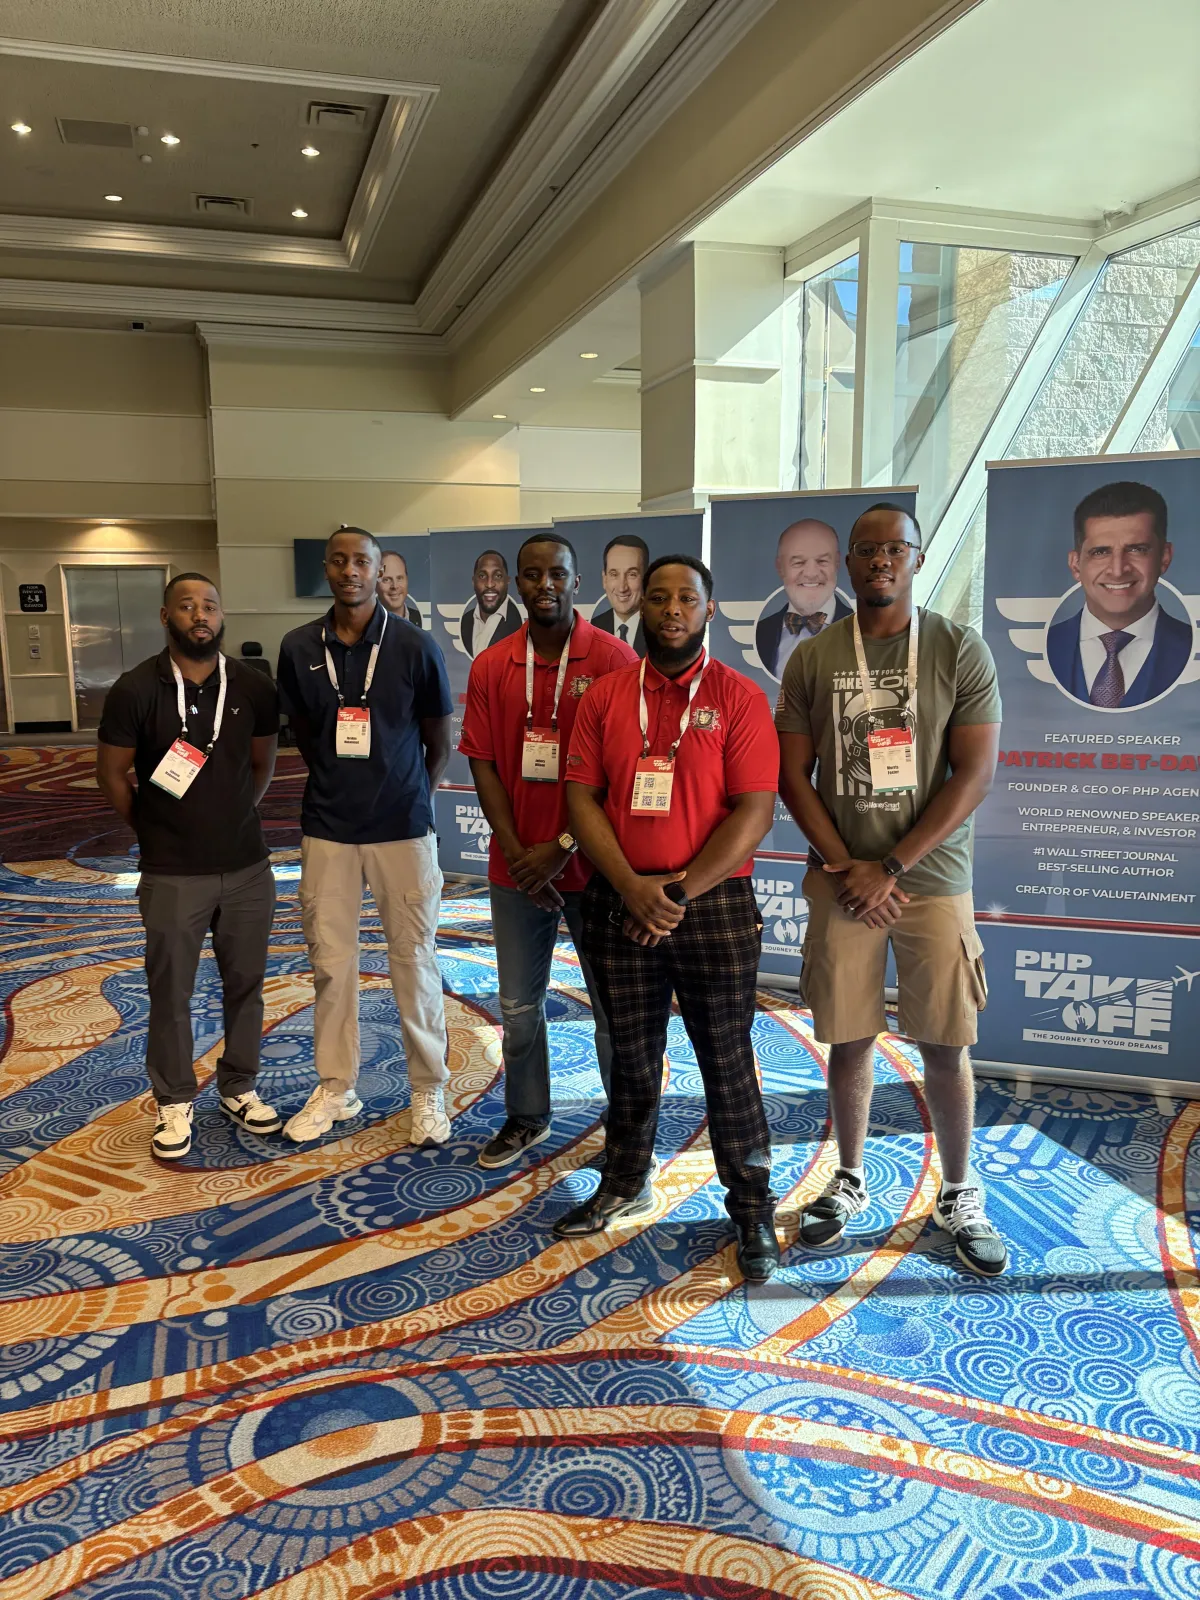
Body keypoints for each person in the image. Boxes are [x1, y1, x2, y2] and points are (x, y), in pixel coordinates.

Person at [775, 502, 1007, 1277]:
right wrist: (849, 865)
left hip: (929, 881)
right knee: (848, 1038)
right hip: (842, 880)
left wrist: (893, 866)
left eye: (895, 549)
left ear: (916, 557)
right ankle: (849, 1177)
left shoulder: (958, 648)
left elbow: (974, 773)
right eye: (867, 550)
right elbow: (792, 775)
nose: (881, 560)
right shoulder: (814, 657)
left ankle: (959, 1190)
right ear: (849, 563)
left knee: (946, 1041)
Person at [557, 554, 781, 1282]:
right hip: (621, 901)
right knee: (630, 1055)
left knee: (727, 1062)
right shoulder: (605, 697)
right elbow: (581, 797)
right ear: (639, 608)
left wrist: (676, 895)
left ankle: (752, 1208)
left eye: (687, 597)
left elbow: (754, 812)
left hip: (710, 906)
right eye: (659, 597)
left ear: (709, 610)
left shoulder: (738, 697)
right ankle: (624, 1180)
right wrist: (631, 887)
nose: (673, 609)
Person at [459, 533, 637, 1166]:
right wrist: (518, 854)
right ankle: (527, 1115)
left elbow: (620, 772)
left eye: (556, 574)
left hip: (597, 868)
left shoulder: (614, 660)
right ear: (517, 584)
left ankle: (626, 1129)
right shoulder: (491, 665)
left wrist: (562, 846)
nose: (545, 585)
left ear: (576, 582)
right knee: (517, 1006)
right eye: (532, 575)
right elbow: (482, 764)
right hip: (517, 870)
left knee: (613, 1009)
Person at [276, 528, 454, 1144]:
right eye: (339, 561)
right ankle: (336, 1088)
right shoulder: (298, 646)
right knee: (331, 965)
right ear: (326, 570)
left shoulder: (414, 645)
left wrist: (409, 793)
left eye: (362, 561)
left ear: (380, 571)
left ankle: (428, 1089)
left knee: (414, 961)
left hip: (402, 829)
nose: (350, 571)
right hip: (328, 829)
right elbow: (304, 733)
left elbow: (439, 740)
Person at [96, 574, 280, 1159]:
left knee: (246, 985)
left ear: (222, 616)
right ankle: (174, 1100)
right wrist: (153, 828)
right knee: (171, 991)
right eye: (187, 606)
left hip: (247, 868)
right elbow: (111, 775)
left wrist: (235, 815)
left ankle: (239, 1086)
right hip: (172, 872)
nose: (200, 615)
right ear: (165, 616)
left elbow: (263, 765)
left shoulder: (254, 686)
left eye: (210, 606)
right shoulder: (134, 688)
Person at [1046, 481, 1189, 708]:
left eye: (1137, 549)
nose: (1118, 570)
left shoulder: (1192, 646)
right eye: (1100, 552)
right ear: (1075, 564)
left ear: (1164, 557)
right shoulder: (1043, 647)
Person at [756, 519, 851, 679]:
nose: (811, 573)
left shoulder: (864, 630)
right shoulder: (760, 633)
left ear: (837, 563)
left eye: (822, 561)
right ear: (780, 567)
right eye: (798, 562)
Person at [591, 534, 649, 655]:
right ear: (604, 579)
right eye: (614, 574)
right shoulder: (592, 630)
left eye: (632, 574)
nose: (622, 588)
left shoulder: (661, 631)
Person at [460, 549, 522, 657]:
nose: (489, 584)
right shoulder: (465, 622)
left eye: (497, 576)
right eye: (482, 576)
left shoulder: (520, 625)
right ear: (473, 581)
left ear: (507, 580)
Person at [375, 546, 423, 628]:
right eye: (386, 580)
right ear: (375, 584)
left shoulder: (418, 618)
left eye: (399, 578)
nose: (395, 586)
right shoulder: (363, 622)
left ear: (407, 579)